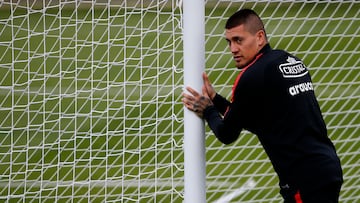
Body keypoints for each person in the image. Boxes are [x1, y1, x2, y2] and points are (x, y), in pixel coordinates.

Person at [182, 9, 343, 203]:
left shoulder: (251, 76)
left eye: (238, 40)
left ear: (259, 37)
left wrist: (208, 110)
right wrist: (215, 99)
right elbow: (256, 121)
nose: (232, 49)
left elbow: (227, 133)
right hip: (326, 167)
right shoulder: (289, 60)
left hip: (304, 178)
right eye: (229, 42)